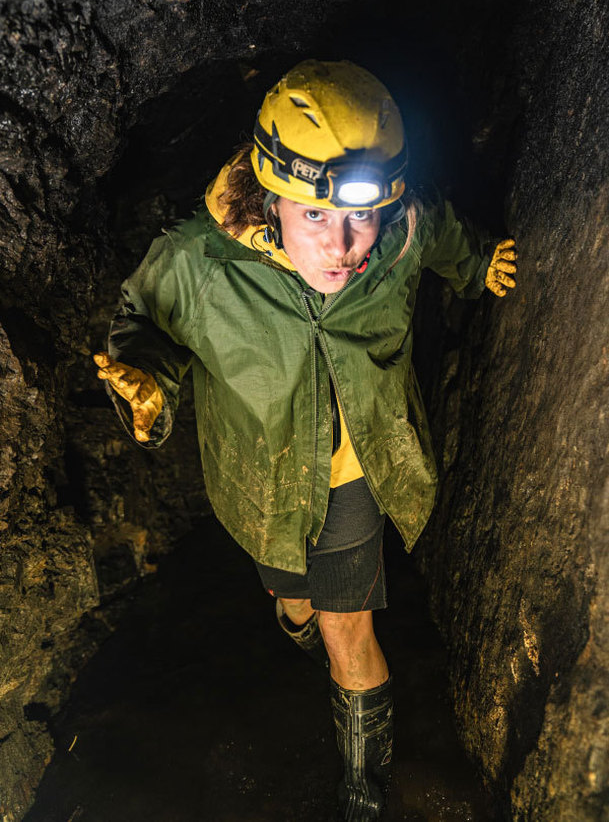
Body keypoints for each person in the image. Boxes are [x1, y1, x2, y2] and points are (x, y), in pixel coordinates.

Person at [94, 59, 517, 821]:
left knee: (347, 628)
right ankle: (301, 624)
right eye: (315, 216)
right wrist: (149, 383)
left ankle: (364, 794)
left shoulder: (403, 228)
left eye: (360, 215)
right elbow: (146, 320)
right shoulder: (198, 260)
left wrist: (480, 263)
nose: (344, 244)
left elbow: (442, 235)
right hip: (260, 475)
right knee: (292, 601)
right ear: (267, 196)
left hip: (356, 468)